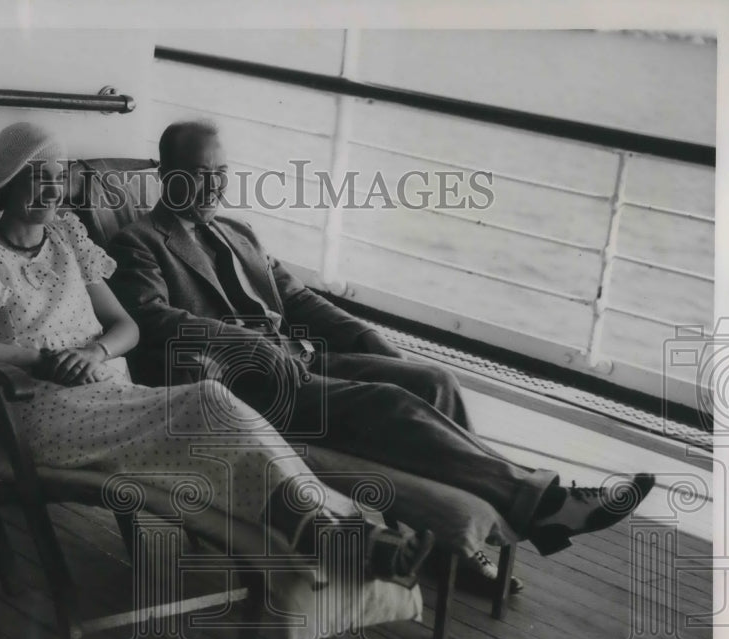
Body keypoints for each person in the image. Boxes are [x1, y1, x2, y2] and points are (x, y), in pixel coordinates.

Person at [106, 119, 655, 579]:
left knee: (434, 381)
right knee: (392, 406)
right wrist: (248, 342)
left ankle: (460, 541)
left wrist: (375, 343)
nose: (215, 187)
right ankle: (545, 504)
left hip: (302, 357)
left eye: (221, 173)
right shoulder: (141, 241)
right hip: (247, 381)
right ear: (167, 174)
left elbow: (296, 298)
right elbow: (152, 317)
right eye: (202, 175)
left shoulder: (237, 231)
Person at [0, 121, 433, 593]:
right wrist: (33, 358)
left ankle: (345, 533)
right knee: (208, 408)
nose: (51, 189)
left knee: (218, 431)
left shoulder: (67, 241)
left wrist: (95, 349)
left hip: (112, 395)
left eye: (59, 177)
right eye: (37, 178)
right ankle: (343, 534)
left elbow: (127, 327)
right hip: (45, 410)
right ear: (6, 183)